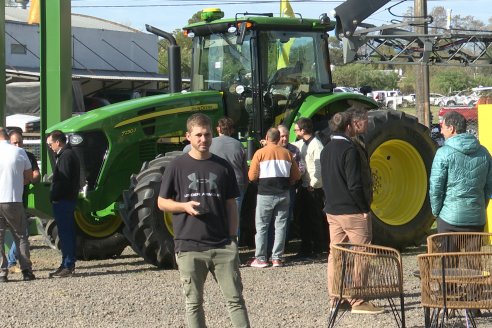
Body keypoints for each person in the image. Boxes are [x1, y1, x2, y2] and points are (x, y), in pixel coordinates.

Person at [158, 113, 250, 328]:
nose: (203, 139)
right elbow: (162, 202)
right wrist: (183, 207)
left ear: (213, 135)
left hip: (222, 246)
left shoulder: (222, 167)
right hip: (189, 246)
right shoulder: (176, 166)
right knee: (194, 303)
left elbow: (231, 205)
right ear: (188, 136)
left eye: (207, 134)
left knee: (235, 300)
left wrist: (232, 239)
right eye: (198, 135)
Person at [321, 112, 383, 314]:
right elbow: (355, 185)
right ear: (349, 126)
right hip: (352, 211)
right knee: (361, 255)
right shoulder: (350, 149)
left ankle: (335, 298)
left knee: (336, 254)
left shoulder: (326, 149)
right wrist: (364, 209)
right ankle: (358, 300)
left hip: (332, 210)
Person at [430, 111, 492, 235]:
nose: (441, 131)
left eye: (442, 127)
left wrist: (437, 212)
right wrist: (479, 208)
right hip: (477, 218)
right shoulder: (485, 153)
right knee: (473, 255)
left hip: (449, 219)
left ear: (451, 128)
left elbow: (436, 188)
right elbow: (489, 188)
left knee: (448, 255)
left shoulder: (443, 153)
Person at [183, 117, 248, 233]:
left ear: (218, 129)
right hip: (236, 186)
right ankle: (233, 245)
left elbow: (189, 151)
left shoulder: (211, 143)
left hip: (215, 185)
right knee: (234, 219)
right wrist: (245, 187)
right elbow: (244, 171)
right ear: (232, 130)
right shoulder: (239, 145)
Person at [248, 127, 300, 268]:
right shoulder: (287, 153)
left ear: (267, 137)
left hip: (265, 194)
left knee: (262, 227)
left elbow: (251, 176)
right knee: (281, 226)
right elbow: (296, 175)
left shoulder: (260, 153)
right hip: (283, 194)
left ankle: (261, 258)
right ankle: (277, 258)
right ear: (279, 138)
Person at [0, 127, 35, 282]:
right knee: (20, 235)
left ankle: (2, 273)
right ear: (7, 136)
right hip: (13, 199)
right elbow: (28, 176)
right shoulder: (19, 152)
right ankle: (26, 271)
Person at [47, 130, 81, 278]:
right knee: (65, 233)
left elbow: (64, 180)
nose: (50, 147)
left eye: (50, 144)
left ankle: (68, 265)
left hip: (64, 200)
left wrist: (55, 195)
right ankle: (65, 263)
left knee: (66, 233)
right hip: (66, 199)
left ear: (58, 142)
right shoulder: (67, 154)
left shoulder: (66, 156)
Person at [6, 130, 41, 272]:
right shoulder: (7, 156)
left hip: (22, 199)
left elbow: (35, 175)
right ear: (9, 142)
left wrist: (30, 177)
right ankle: (11, 261)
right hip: (9, 198)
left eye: (20, 141)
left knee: (22, 232)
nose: (18, 144)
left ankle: (11, 261)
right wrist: (25, 178)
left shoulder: (29, 156)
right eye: (15, 142)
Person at [293, 117, 327, 258]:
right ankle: (306, 247)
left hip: (313, 188)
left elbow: (319, 167)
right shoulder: (301, 143)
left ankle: (318, 249)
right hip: (305, 185)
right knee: (303, 219)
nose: (295, 131)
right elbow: (292, 144)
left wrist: (313, 184)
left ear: (303, 130)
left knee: (315, 219)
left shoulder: (316, 145)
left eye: (296, 129)